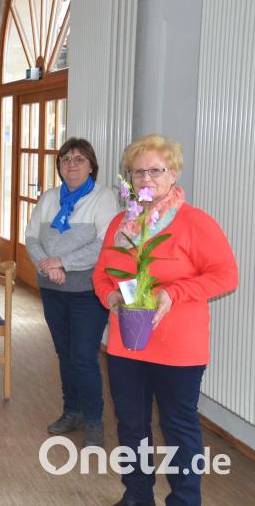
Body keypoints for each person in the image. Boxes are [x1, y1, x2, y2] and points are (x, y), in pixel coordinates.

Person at [93, 135, 238, 506]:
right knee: (131, 425)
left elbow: (226, 276)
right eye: (138, 171)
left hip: (179, 348)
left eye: (156, 170)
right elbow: (102, 275)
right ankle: (137, 496)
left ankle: (185, 500)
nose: (146, 178)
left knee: (178, 427)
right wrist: (110, 297)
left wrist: (174, 293)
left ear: (173, 174)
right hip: (129, 342)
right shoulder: (121, 224)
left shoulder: (195, 222)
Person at [25, 138, 118, 447]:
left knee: (84, 357)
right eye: (66, 159)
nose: (72, 164)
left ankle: (94, 421)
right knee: (65, 354)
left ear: (91, 165)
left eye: (79, 159)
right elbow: (31, 236)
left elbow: (104, 243)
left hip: (87, 291)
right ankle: (72, 411)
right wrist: (46, 264)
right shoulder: (50, 197)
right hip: (52, 288)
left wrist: (62, 261)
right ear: (60, 166)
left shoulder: (104, 198)